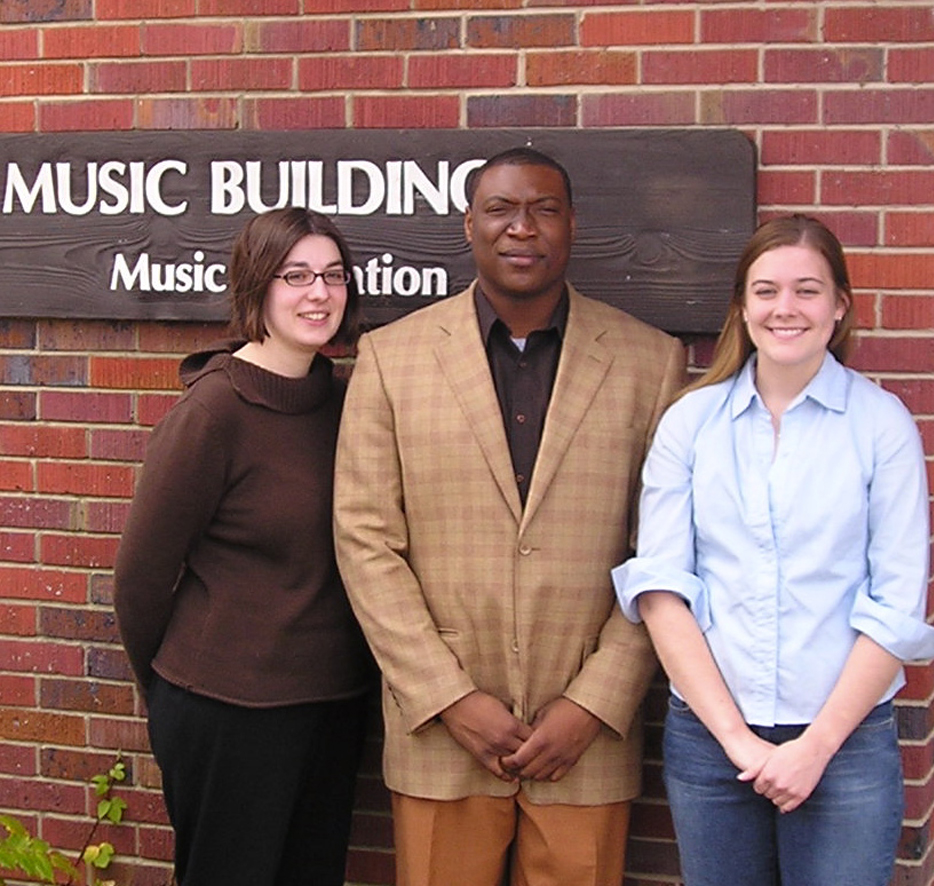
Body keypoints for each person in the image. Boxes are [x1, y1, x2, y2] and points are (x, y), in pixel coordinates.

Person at [333, 147, 687, 886]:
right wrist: (449, 697)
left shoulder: (648, 361)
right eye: (500, 209)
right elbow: (365, 542)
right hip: (441, 735)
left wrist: (594, 703)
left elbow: (665, 554)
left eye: (543, 209)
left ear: (572, 226)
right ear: (469, 225)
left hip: (584, 741)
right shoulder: (391, 359)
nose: (521, 227)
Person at [612, 214, 934, 886]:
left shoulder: (880, 424)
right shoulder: (691, 422)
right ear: (743, 307)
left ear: (839, 306)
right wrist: (738, 741)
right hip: (713, 744)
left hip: (845, 745)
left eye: (807, 289)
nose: (786, 308)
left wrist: (814, 748)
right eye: (766, 290)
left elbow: (894, 605)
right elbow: (660, 589)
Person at [113, 207, 374, 886]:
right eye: (296, 275)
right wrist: (177, 690)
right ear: (257, 285)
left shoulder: (349, 405)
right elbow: (140, 579)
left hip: (331, 705)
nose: (319, 293)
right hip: (225, 710)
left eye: (333, 276)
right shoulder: (213, 412)